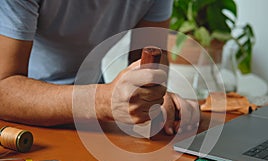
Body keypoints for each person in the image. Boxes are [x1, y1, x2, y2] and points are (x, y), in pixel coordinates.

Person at [0, 0, 199, 135]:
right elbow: (4, 89)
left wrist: (152, 96)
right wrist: (104, 101)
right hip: (22, 115)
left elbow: (153, 55)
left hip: (93, 108)